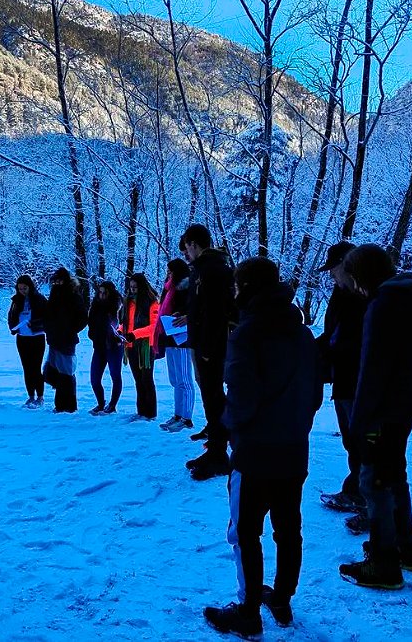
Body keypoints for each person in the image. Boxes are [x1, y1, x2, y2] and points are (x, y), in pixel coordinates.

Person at [203, 257, 322, 638]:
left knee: (245, 531)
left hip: (254, 452)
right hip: (293, 448)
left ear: (246, 288)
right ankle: (282, 600)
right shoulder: (302, 334)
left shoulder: (247, 334)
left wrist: (230, 429)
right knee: (288, 529)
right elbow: (315, 393)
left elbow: (240, 398)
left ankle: (249, 611)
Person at [338, 244, 412, 590]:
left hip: (384, 411)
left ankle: (383, 563)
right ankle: (405, 549)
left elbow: (373, 370)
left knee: (374, 481)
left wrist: (361, 419)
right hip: (405, 406)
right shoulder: (408, 300)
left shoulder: (383, 306)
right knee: (394, 476)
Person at [177, 224, 237, 481]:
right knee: (210, 398)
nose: (186, 254)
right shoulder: (203, 269)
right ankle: (215, 448)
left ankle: (219, 453)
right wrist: (188, 316)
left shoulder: (212, 269)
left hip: (210, 346)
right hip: (203, 342)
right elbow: (202, 308)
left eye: (187, 248)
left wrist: (209, 349)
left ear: (194, 243)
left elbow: (215, 311)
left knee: (213, 398)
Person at [314, 242, 369, 514]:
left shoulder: (364, 297)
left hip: (359, 382)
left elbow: (349, 339)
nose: (331, 276)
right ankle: (358, 490)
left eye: (334, 270)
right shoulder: (343, 293)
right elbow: (334, 333)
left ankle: (367, 499)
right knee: (352, 440)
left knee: (364, 443)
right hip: (344, 378)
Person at [154, 259, 196, 433]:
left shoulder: (187, 287)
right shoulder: (168, 289)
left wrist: (183, 314)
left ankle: (186, 418)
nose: (168, 274)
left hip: (183, 338)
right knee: (175, 379)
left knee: (185, 379)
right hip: (170, 337)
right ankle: (178, 414)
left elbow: (192, 309)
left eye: (171, 271)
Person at [43, 267, 88, 413]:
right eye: (55, 281)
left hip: (67, 340)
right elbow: (48, 317)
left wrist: (69, 329)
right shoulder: (54, 296)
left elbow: (82, 318)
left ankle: (69, 405)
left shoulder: (73, 297)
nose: (57, 283)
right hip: (54, 339)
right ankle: (60, 404)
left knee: (67, 373)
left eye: (59, 281)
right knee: (57, 372)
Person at [121, 273, 160, 421]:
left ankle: (150, 412)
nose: (133, 290)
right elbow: (126, 322)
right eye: (131, 287)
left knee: (147, 380)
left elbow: (153, 326)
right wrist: (120, 331)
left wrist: (135, 334)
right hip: (130, 345)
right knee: (138, 380)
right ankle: (141, 410)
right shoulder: (128, 303)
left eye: (135, 287)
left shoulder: (152, 303)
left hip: (145, 346)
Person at [7, 274, 48, 408]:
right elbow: (11, 316)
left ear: (30, 287)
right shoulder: (16, 301)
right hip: (22, 338)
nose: (22, 291)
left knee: (36, 367)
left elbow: (47, 318)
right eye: (20, 289)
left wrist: (35, 324)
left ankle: (40, 397)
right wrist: (13, 328)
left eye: (25, 288)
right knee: (26, 367)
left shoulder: (39, 299)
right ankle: (30, 396)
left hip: (37, 337)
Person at [87, 280, 126, 415]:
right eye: (100, 293)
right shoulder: (95, 307)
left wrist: (118, 334)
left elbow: (122, 324)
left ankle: (112, 404)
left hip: (114, 345)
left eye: (105, 293)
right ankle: (100, 403)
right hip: (99, 346)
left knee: (115, 375)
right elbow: (91, 324)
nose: (102, 295)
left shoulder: (117, 307)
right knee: (94, 378)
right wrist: (93, 335)